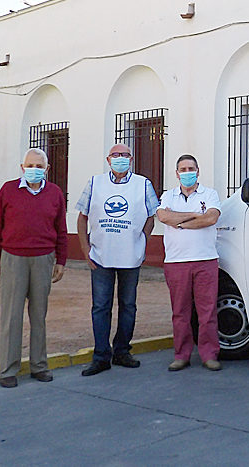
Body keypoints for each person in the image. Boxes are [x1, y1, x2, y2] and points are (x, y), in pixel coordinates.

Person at [76, 143, 159, 376]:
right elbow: (82, 217)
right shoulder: (95, 183)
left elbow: (152, 216)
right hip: (101, 256)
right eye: (115, 155)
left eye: (124, 155)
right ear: (108, 159)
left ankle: (122, 351)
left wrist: (141, 243)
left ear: (131, 158)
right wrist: (85, 249)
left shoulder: (143, 184)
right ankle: (101, 356)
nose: (120, 158)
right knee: (100, 307)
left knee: (128, 306)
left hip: (130, 257)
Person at [0, 148, 67, 388]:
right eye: (30, 165)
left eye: (39, 166)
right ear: (22, 168)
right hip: (13, 258)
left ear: (47, 169)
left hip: (43, 259)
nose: (34, 170)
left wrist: (61, 260)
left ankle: (39, 366)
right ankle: (8, 369)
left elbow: (61, 229)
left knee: (39, 316)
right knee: (11, 316)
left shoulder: (54, 193)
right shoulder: (8, 190)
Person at [156, 154, 222, 371]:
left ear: (198, 171)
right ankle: (181, 355)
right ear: (176, 174)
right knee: (180, 312)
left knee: (207, 310)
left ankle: (209, 354)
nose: (187, 173)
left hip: (205, 260)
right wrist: (194, 216)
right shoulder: (168, 196)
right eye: (183, 169)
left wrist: (181, 223)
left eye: (191, 168)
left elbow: (210, 218)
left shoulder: (210, 194)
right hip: (176, 262)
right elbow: (164, 217)